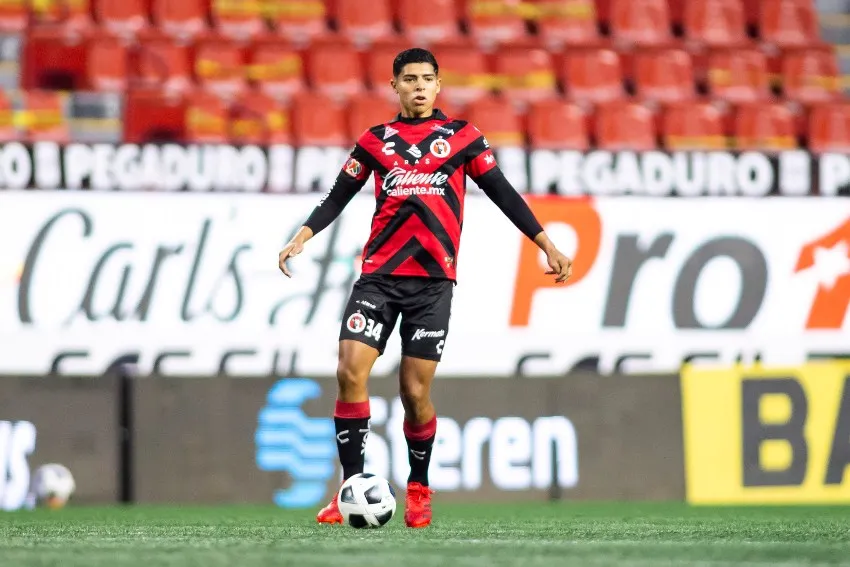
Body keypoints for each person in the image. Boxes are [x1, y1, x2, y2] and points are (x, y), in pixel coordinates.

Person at [278, 48, 573, 528]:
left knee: (414, 393)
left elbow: (503, 193)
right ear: (394, 86)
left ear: (439, 86)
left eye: (427, 78)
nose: (418, 86)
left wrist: (546, 243)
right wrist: (301, 236)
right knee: (350, 370)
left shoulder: (462, 138)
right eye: (409, 78)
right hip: (378, 277)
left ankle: (418, 487)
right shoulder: (375, 141)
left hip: (433, 284)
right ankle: (352, 487)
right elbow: (338, 196)